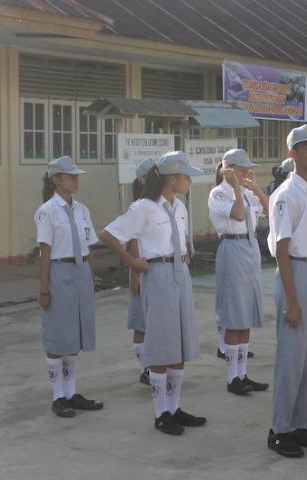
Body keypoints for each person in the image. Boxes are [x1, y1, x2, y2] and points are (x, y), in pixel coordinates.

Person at [100, 151, 206, 436]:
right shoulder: (144, 208)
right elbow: (108, 235)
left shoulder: (180, 207)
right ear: (172, 179)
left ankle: (174, 407)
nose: (189, 182)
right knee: (160, 344)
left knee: (179, 342)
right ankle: (161, 413)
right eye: (186, 176)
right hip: (157, 275)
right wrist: (132, 263)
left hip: (179, 274)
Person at [267, 124, 307, 458]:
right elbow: (282, 250)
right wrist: (291, 300)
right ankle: (280, 430)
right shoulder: (286, 194)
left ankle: (300, 425)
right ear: (293, 154)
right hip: (294, 274)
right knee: (291, 360)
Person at [34, 156, 104, 418]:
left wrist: (92, 278)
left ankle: (71, 392)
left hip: (81, 271)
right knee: (57, 335)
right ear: (56, 179)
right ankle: (57, 396)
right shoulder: (47, 211)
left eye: (76, 175)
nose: (76, 179)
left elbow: (88, 248)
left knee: (74, 334)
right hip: (59, 272)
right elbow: (45, 252)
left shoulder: (82, 210)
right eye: (70, 175)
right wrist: (44, 290)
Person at [208, 149, 270, 396]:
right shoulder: (219, 193)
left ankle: (242, 373)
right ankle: (232, 376)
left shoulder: (245, 192)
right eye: (242, 168)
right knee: (234, 313)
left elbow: (268, 209)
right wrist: (236, 188)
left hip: (250, 246)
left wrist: (254, 188)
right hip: (232, 246)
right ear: (229, 169)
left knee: (246, 313)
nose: (247, 172)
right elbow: (236, 214)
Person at [127, 158, 156, 386]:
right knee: (141, 322)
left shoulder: (158, 204)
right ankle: (144, 367)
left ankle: (151, 364)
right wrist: (134, 273)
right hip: (143, 269)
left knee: (152, 322)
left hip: (157, 270)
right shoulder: (138, 206)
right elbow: (133, 241)